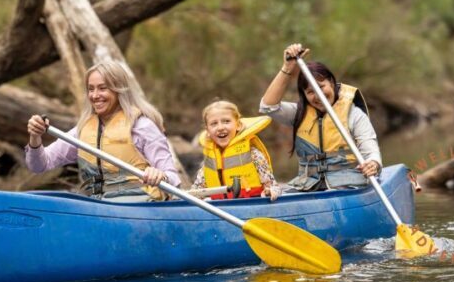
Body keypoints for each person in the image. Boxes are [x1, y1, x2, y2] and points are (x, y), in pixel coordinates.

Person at [25, 60, 180, 202]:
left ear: (118, 90)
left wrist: (161, 176)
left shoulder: (142, 127)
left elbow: (173, 178)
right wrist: (35, 138)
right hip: (94, 207)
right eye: (91, 89)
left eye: (102, 88)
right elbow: (39, 165)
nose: (95, 95)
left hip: (137, 208)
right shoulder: (81, 131)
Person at [259, 44, 382, 191]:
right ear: (304, 95)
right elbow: (267, 106)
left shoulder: (355, 115)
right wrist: (287, 68)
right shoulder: (299, 112)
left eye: (321, 87)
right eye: (310, 92)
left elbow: (371, 151)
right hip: (307, 185)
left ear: (331, 82)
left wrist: (373, 163)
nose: (317, 96)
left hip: (349, 184)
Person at [190, 100, 281, 201]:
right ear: (207, 130)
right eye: (214, 124)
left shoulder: (253, 154)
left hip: (251, 206)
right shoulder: (208, 161)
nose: (220, 127)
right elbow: (196, 191)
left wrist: (270, 191)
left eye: (226, 121)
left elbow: (273, 186)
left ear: (238, 125)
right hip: (220, 209)